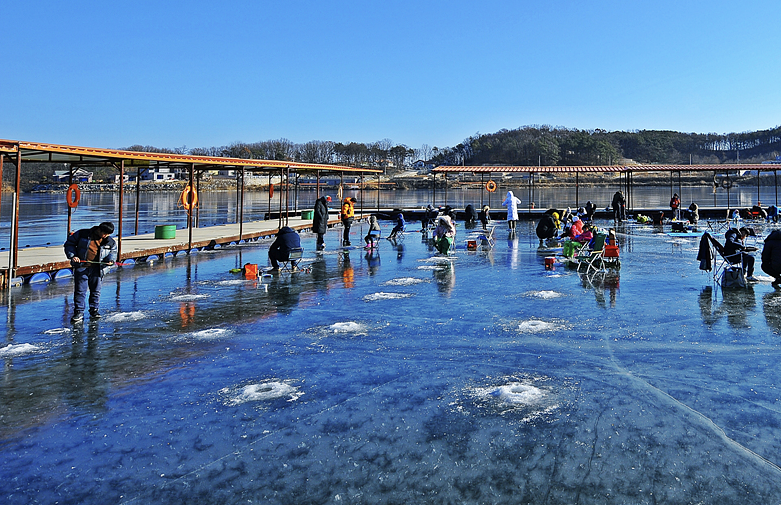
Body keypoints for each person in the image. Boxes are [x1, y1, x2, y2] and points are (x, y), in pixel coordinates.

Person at [63, 222, 117, 323]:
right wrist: (73, 256)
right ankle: (78, 312)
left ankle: (94, 310)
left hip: (98, 270)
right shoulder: (83, 234)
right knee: (80, 291)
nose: (105, 236)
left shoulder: (110, 242)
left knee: (96, 291)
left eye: (108, 234)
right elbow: (69, 244)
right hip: (82, 267)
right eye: (104, 233)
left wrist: (110, 261)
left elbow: (113, 252)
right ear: (99, 230)